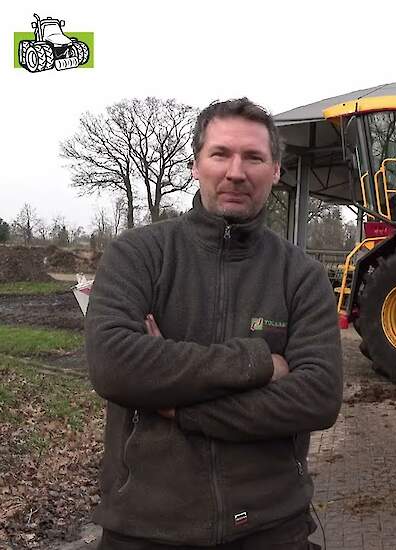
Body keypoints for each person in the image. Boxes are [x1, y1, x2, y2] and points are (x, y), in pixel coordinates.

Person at [85, 98, 342, 549]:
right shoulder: (139, 254)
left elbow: (318, 398)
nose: (236, 171)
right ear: (195, 165)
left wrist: (178, 406)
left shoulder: (301, 275)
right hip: (145, 527)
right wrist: (260, 363)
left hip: (272, 528)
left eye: (254, 157)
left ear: (276, 170)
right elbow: (115, 366)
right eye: (220, 154)